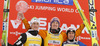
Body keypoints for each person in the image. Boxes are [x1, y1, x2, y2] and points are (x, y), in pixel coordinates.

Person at [18, 12, 85, 46]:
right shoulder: (44, 33)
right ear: (51, 25)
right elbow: (32, 29)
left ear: (59, 25)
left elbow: (73, 34)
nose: (55, 24)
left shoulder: (62, 35)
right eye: (53, 23)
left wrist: (83, 25)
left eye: (57, 23)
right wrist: (23, 19)